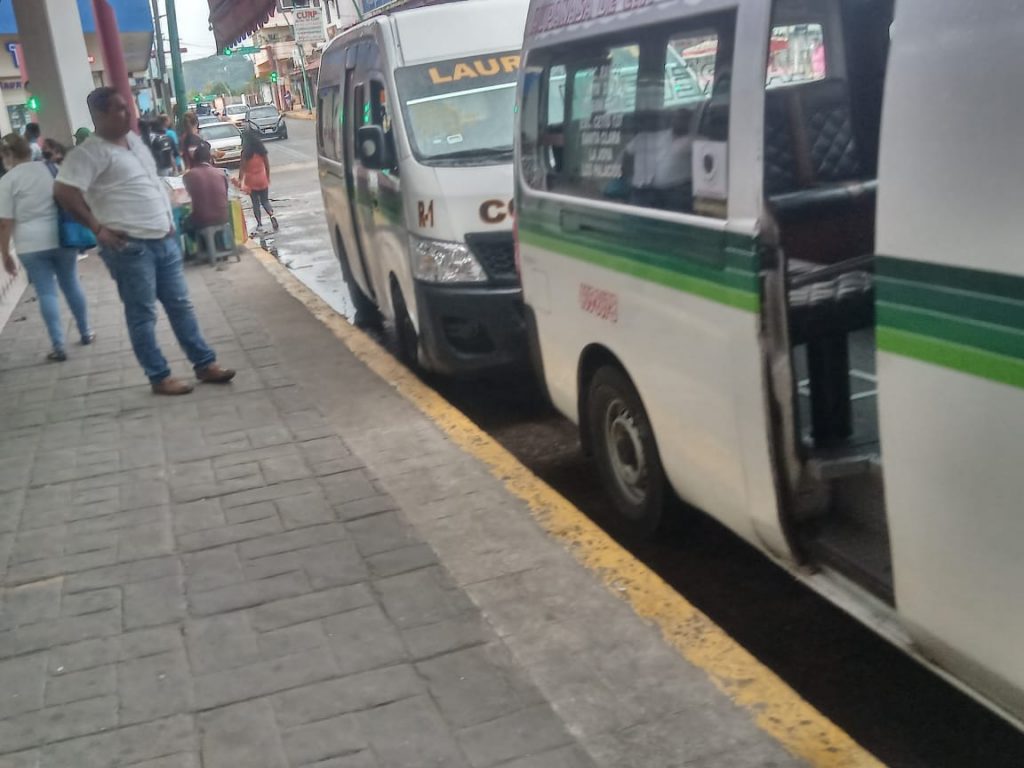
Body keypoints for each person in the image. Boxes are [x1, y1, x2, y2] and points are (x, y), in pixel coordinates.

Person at [53, 87, 235, 395]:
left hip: (163, 239)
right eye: (119, 109)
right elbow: (64, 192)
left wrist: (167, 220)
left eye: (129, 107)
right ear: (99, 116)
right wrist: (98, 228)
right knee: (142, 314)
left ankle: (204, 364)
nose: (129, 114)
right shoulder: (89, 153)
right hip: (130, 247)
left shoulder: (134, 142)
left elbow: (150, 184)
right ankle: (158, 375)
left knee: (181, 306)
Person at [0, 133, 93, 361]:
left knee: (45, 291)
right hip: (62, 238)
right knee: (71, 283)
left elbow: (5, 223)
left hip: (29, 244)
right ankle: (85, 331)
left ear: (8, 155)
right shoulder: (51, 169)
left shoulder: (7, 182)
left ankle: (58, 345)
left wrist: (5, 254)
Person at [183, 141, 229, 233]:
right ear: (210, 159)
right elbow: (226, 195)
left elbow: (189, 197)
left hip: (202, 220)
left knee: (184, 223)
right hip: (222, 217)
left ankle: (198, 245)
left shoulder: (188, 176)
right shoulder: (221, 173)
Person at [238, 130, 277, 233]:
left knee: (255, 203)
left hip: (251, 181)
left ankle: (259, 223)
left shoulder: (245, 153)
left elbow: (242, 168)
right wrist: (267, 177)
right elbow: (267, 165)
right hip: (262, 178)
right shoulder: (261, 151)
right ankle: (271, 215)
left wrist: (240, 179)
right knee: (265, 201)